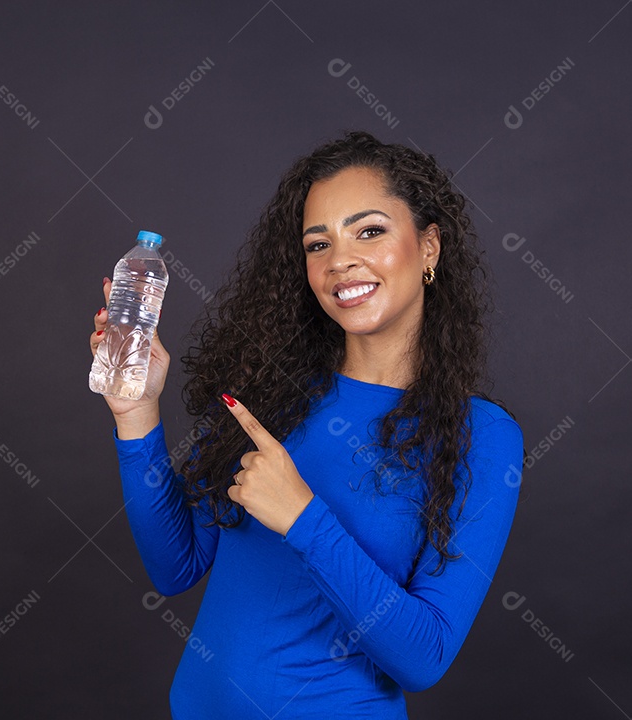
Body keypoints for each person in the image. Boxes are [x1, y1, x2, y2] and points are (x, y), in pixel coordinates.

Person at [89, 130, 524, 718]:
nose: (340, 260)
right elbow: (175, 566)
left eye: (369, 231)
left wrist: (301, 517)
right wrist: (136, 415)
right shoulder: (271, 392)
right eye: (318, 244)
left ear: (429, 247)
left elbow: (425, 657)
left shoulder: (482, 437)